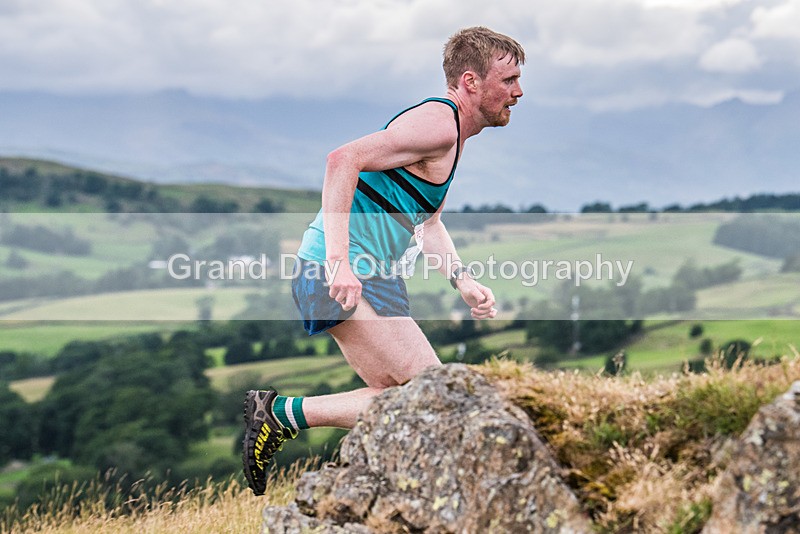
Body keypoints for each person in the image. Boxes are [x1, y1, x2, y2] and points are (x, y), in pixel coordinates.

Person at [243, 26, 524, 496]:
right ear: (471, 82)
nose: (518, 92)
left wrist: (462, 280)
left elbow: (428, 223)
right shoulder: (439, 123)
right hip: (338, 272)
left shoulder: (451, 138)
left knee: (405, 403)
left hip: (375, 278)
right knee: (440, 395)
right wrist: (338, 262)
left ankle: (279, 415)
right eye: (510, 79)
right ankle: (278, 416)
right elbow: (341, 160)